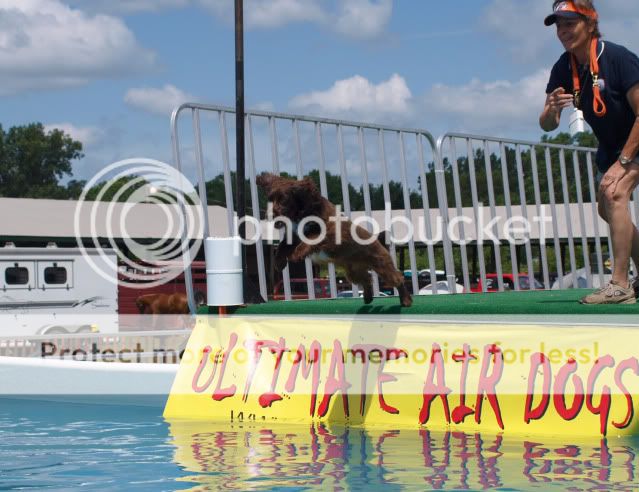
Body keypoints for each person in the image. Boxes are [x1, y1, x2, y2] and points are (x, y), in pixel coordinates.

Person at [539, 0, 639, 304]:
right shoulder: (563, 66)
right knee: (605, 207)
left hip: (634, 140)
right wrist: (551, 109)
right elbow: (546, 125)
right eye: (558, 24)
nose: (562, 30)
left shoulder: (618, 58)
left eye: (569, 22)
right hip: (612, 146)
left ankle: (619, 285)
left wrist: (623, 162)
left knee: (614, 194)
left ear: (590, 23)